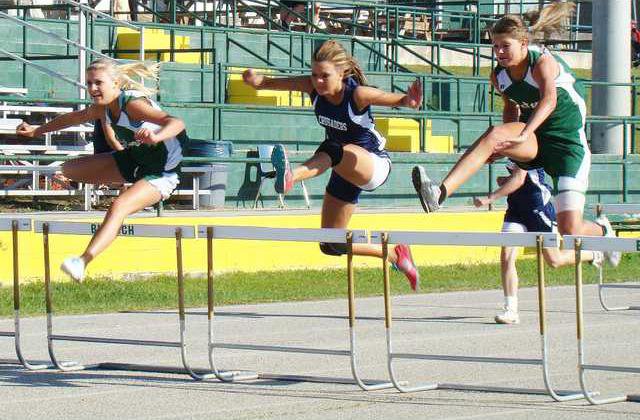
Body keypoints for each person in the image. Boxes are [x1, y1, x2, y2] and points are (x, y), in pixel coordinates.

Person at [412, 1, 621, 267]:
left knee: (570, 228)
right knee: (493, 135)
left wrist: (524, 133)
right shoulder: (499, 77)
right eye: (495, 46)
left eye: (505, 46)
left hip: (567, 143)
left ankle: (603, 230)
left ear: (523, 43)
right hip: (534, 139)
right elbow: (511, 109)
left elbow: (549, 101)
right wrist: (503, 148)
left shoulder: (542, 61)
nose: (499, 52)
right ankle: (439, 193)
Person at [242, 40, 422, 290]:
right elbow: (271, 83)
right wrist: (255, 80)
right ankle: (397, 257)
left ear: (342, 73)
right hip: (341, 168)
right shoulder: (312, 87)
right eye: (314, 75)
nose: (318, 81)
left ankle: (290, 176)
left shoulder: (356, 94)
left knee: (333, 148)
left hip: (372, 164)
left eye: (325, 76)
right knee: (331, 243)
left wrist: (407, 101)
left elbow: (390, 99)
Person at [17, 58, 189, 282]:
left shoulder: (133, 105)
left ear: (116, 83)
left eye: (98, 83)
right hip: (136, 159)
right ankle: (130, 184)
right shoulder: (104, 108)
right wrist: (36, 131)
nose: (92, 89)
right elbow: (74, 118)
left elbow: (177, 122)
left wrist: (156, 136)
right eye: (88, 83)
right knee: (69, 169)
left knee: (119, 206)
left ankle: (83, 261)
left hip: (163, 171)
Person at [473, 163, 604, 324]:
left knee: (554, 261)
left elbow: (519, 180)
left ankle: (593, 253)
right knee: (506, 258)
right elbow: (520, 178)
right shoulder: (510, 145)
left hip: (538, 208)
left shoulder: (526, 146)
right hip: (516, 210)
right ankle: (511, 310)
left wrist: (490, 198)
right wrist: (506, 179)